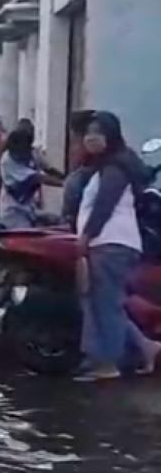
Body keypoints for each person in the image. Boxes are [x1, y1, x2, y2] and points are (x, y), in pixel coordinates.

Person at [71, 111, 161, 380]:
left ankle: (107, 364)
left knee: (106, 305)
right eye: (89, 133)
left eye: (98, 133)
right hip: (109, 242)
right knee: (104, 304)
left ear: (110, 136)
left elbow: (104, 206)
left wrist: (86, 236)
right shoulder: (106, 165)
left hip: (109, 243)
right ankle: (146, 348)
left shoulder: (114, 168)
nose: (91, 138)